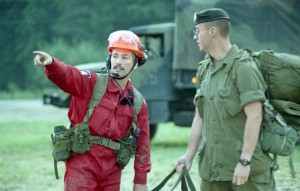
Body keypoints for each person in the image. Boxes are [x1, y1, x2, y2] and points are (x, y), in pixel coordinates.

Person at [33, 30, 151, 191]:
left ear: (136, 63)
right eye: (115, 56)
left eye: (125, 58)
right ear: (109, 58)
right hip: (81, 164)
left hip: (112, 172)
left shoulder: (137, 102)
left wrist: (140, 182)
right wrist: (51, 63)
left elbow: (143, 145)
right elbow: (70, 75)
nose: (118, 62)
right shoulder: (91, 82)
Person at [175, 8, 276, 191]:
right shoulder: (204, 69)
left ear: (212, 31)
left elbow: (255, 116)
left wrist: (245, 161)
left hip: (246, 172)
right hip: (213, 171)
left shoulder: (243, 67)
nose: (195, 36)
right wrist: (188, 155)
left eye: (197, 31)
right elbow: (199, 116)